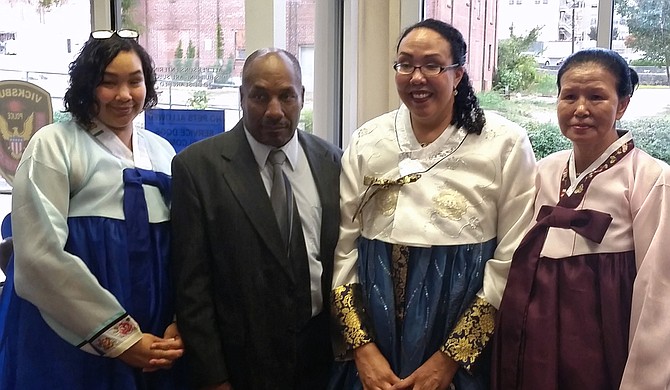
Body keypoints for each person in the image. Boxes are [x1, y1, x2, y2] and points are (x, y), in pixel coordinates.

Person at [329, 19, 536, 390]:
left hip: (459, 325)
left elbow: (512, 259)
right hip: (376, 327)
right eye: (405, 64)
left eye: (433, 65)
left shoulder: (505, 143)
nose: (416, 76)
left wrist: (451, 358)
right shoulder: (367, 139)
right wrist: (361, 348)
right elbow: (345, 250)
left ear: (458, 74)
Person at [0, 30, 185, 389]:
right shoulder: (53, 145)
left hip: (157, 339)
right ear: (87, 86)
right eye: (108, 83)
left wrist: (181, 320)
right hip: (71, 338)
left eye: (135, 81)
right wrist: (121, 338)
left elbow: (186, 246)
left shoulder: (163, 151)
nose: (124, 95)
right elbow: (39, 259)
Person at [492, 48, 670, 390]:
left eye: (596, 96)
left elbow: (657, 292)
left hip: (604, 332)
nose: (581, 109)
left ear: (622, 104)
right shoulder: (542, 171)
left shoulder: (650, 178)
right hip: (537, 325)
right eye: (569, 96)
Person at [171, 48, 342, 390]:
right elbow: (192, 288)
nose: (274, 111)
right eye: (260, 96)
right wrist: (213, 378)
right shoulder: (198, 168)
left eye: (286, 96)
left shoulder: (332, 161)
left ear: (302, 97)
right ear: (242, 97)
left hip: (321, 359)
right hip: (241, 364)